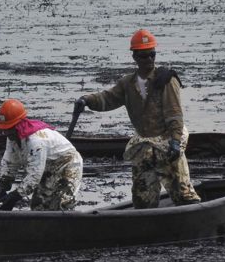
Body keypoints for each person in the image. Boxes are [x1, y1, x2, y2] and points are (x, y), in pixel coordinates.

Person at [74, 29, 200, 209]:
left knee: (182, 191)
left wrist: (175, 141)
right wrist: (86, 100)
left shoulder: (165, 80)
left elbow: (174, 114)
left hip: (168, 140)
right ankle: (146, 221)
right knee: (143, 196)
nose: (149, 59)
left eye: (152, 55)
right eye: (144, 56)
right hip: (143, 144)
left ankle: (193, 218)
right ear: (135, 57)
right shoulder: (127, 84)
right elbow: (107, 99)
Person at [0, 98, 83, 211]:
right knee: (39, 206)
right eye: (4, 129)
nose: (5, 132)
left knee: (62, 204)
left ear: (17, 125)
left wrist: (15, 196)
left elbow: (34, 174)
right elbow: (10, 162)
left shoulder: (36, 141)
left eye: (8, 129)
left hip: (67, 164)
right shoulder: (12, 138)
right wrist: (3, 183)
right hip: (48, 168)